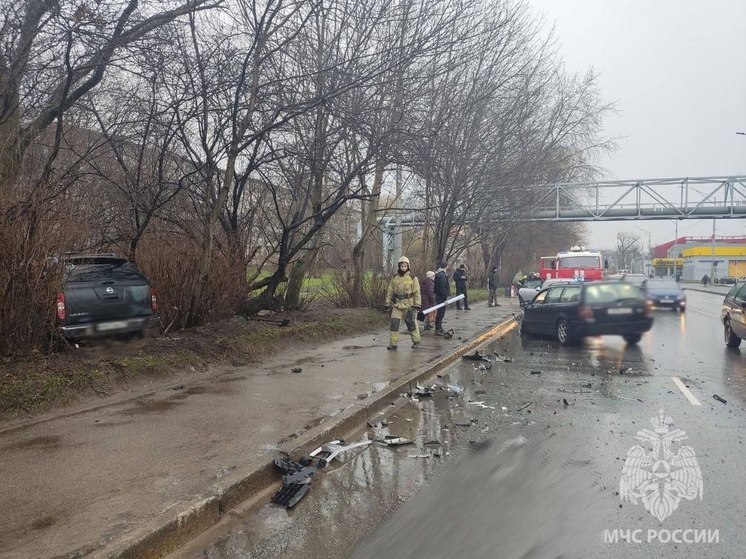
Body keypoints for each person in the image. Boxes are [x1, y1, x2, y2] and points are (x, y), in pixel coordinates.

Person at [385, 256, 422, 350]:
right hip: (397, 305)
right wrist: (387, 303)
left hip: (409, 305)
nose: (403, 268)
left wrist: (417, 304)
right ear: (399, 266)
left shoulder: (413, 278)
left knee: (411, 324)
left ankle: (416, 341)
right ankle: (393, 344)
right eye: (402, 266)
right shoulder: (394, 277)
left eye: (405, 266)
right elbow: (390, 291)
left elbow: (417, 292)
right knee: (394, 324)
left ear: (408, 266)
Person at [433, 261, 450, 335]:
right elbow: (442, 287)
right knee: (440, 313)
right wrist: (445, 297)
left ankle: (439, 328)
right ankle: (438, 329)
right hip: (441, 297)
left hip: (438, 296)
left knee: (440, 313)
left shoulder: (438, 274)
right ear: (446, 266)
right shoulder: (442, 275)